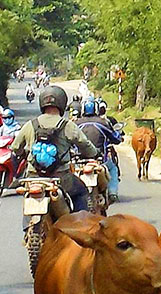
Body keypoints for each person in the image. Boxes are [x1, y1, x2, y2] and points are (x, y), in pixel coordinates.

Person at [11, 85, 99, 213]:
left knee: (28, 198)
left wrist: (24, 153)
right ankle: (81, 225)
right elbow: (85, 145)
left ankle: (28, 228)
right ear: (62, 103)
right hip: (61, 177)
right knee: (81, 191)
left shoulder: (31, 124)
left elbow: (15, 147)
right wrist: (94, 153)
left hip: (33, 177)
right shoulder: (68, 125)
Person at [77, 113, 124, 203]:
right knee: (113, 168)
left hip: (80, 162)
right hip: (101, 160)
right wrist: (118, 135)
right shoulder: (103, 123)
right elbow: (116, 139)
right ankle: (112, 192)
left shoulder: (76, 123)